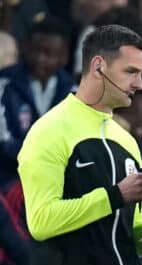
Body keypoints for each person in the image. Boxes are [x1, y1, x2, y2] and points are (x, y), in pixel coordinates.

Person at [16, 24, 142, 265]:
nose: (139, 84)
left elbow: (135, 228)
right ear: (97, 66)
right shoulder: (50, 132)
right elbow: (41, 222)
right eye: (131, 72)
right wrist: (114, 196)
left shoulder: (127, 140)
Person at [0, 16, 75, 185]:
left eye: (49, 53)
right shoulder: (4, 83)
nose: (41, 59)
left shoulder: (73, 91)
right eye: (35, 50)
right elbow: (3, 142)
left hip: (55, 183)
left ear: (63, 57)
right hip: (9, 180)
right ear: (24, 47)